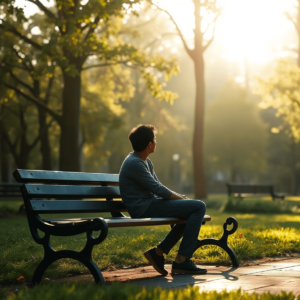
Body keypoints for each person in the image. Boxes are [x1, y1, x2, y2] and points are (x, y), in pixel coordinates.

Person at [119, 124, 207, 275]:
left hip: (150, 203)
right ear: (150, 144)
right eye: (155, 139)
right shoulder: (135, 163)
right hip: (144, 208)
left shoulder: (144, 161)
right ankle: (182, 261)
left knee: (191, 211)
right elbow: (158, 190)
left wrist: (181, 200)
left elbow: (158, 186)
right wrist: (180, 198)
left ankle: (158, 253)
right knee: (198, 207)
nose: (156, 142)